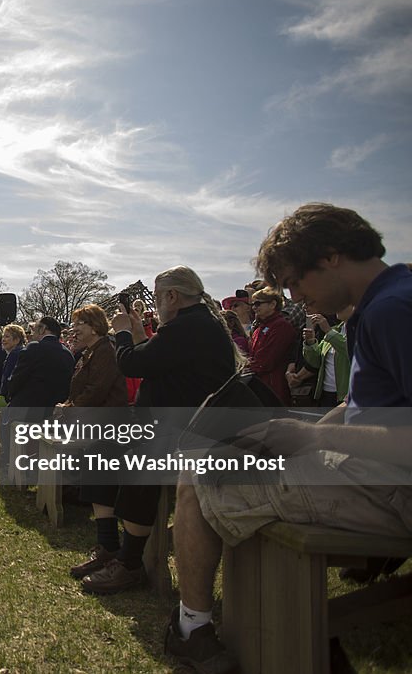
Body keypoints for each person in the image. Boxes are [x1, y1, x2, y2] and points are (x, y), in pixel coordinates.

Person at [167, 204, 412, 672]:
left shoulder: (396, 310)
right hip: (379, 477)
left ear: (332, 255)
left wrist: (315, 442)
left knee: (199, 476)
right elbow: (368, 408)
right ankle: (290, 630)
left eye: (295, 281)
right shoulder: (385, 303)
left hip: (395, 490)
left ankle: (191, 627)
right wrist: (306, 434)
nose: (295, 294)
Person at [77, 266, 239, 596]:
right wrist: (137, 332)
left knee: (139, 463)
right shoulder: (193, 325)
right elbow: (151, 357)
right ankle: (109, 545)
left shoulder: (190, 327)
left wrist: (121, 332)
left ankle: (130, 561)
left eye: (158, 294)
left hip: (190, 432)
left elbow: (133, 364)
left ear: (172, 296)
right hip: (174, 425)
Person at [58, 305, 129, 581]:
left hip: (108, 428)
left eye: (80, 324)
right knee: (95, 484)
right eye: (74, 324)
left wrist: (71, 407)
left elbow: (97, 390)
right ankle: (106, 546)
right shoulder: (90, 352)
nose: (75, 330)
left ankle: (109, 548)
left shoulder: (106, 352)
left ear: (96, 326)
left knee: (100, 483)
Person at [3, 316, 75, 411]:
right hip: (55, 412)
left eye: (35, 329)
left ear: (43, 329)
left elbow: (16, 379)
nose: (32, 333)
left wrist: (9, 396)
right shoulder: (68, 354)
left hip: (28, 410)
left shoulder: (33, 348)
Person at [248, 287, 296, 405]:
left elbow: (266, 361)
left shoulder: (281, 326)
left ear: (272, 304)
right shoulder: (259, 329)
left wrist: (246, 367)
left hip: (274, 388)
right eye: (253, 304)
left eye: (258, 303)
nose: (254, 307)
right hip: (261, 386)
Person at [301, 308, 352, 407]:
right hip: (326, 392)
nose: (337, 308)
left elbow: (349, 350)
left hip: (345, 395)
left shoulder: (359, 330)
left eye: (342, 305)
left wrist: (328, 331)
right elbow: (315, 362)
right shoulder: (336, 329)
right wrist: (310, 342)